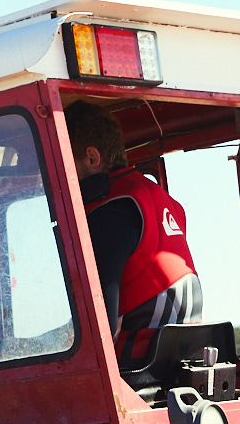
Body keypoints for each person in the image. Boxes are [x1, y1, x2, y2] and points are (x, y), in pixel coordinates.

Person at [63, 101, 202, 357]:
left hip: (137, 367)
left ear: (92, 157)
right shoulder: (161, 200)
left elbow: (101, 325)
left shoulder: (110, 211)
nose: (63, 178)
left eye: (65, 165)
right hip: (182, 357)